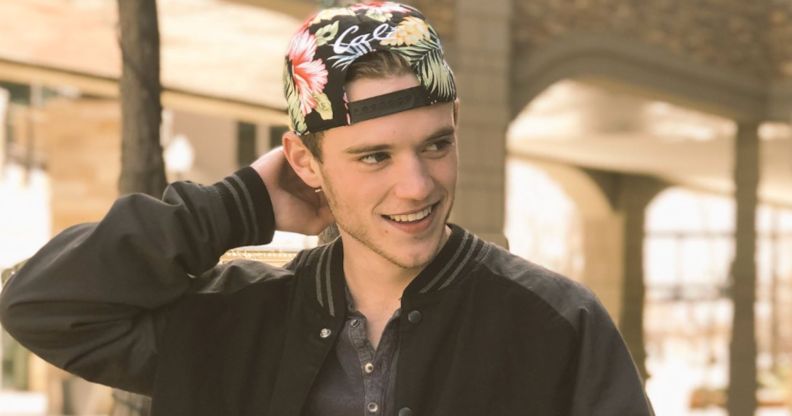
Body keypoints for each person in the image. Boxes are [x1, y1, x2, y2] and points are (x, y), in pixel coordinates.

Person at [0, 2, 654, 415]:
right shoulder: (231, 323)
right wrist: (238, 204)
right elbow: (42, 305)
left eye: (436, 145)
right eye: (374, 157)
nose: (417, 186)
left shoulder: (557, 324)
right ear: (305, 163)